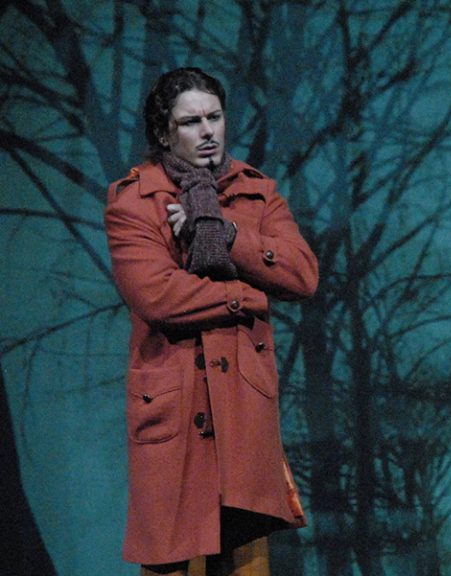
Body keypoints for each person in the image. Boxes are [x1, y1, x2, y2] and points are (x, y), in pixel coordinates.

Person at [104, 67, 318, 576]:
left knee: (245, 557)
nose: (207, 131)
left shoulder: (255, 192)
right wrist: (246, 296)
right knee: (173, 558)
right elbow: (158, 296)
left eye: (214, 117)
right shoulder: (135, 201)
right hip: (175, 406)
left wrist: (227, 235)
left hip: (243, 404)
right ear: (164, 134)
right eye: (190, 122)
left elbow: (302, 274)